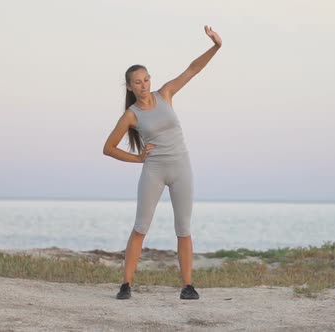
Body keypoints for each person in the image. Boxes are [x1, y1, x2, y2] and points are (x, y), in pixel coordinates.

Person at [103, 25, 222, 300]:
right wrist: (138, 158)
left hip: (181, 168)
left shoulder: (165, 93)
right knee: (140, 227)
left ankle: (187, 286)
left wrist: (215, 47)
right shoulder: (131, 115)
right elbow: (108, 148)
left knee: (183, 228)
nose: (143, 85)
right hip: (154, 170)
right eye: (138, 82)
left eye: (146, 80)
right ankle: (126, 285)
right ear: (130, 87)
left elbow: (192, 69)